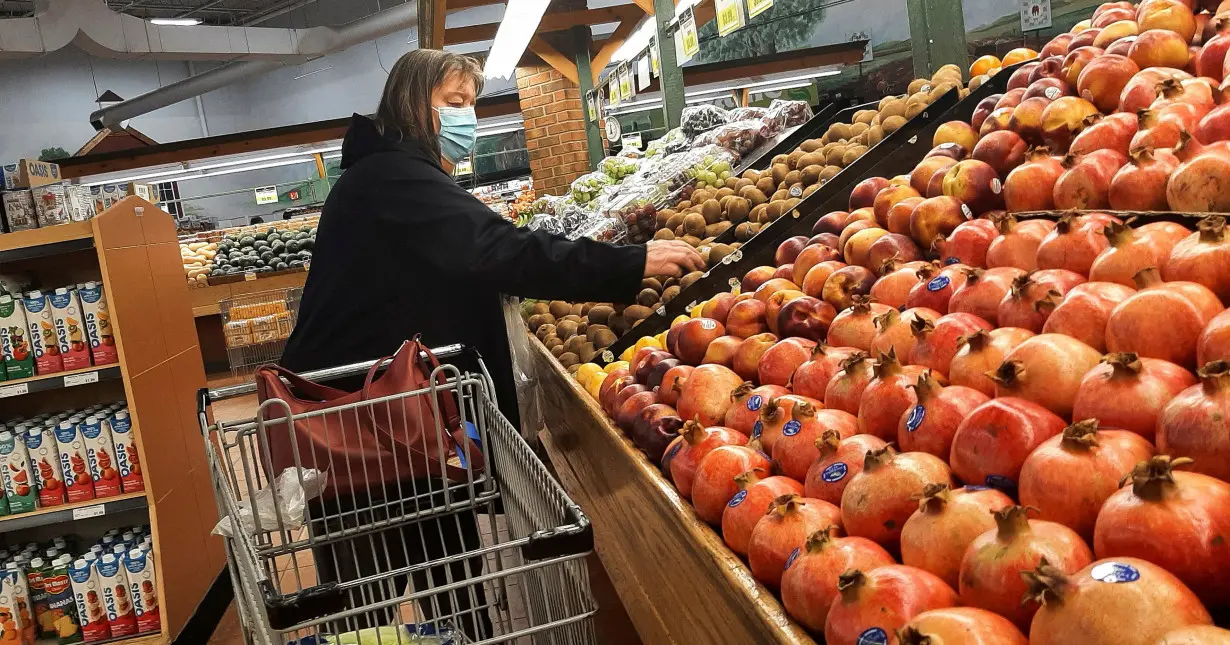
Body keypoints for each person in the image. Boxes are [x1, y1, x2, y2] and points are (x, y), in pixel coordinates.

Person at [277, 49, 702, 638]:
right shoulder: (392, 179)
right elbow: (498, 250)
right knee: (371, 600)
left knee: (446, 577)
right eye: (455, 103)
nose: (468, 117)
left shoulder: (390, 175)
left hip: (403, 428)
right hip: (361, 432)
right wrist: (626, 264)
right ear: (412, 103)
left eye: (472, 103)